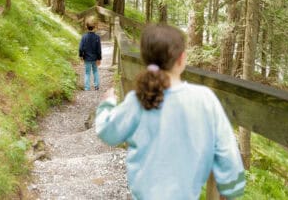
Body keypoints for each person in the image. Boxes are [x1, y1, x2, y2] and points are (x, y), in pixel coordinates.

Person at [95, 24, 245, 200]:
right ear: (181, 59)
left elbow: (108, 132)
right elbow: (227, 152)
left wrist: (107, 104)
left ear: (146, 60)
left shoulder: (139, 99)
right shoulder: (205, 100)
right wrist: (231, 189)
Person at [79, 17, 102, 91]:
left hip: (87, 58)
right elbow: (99, 49)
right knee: (95, 71)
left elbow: (81, 48)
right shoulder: (97, 37)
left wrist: (81, 56)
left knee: (87, 73)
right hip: (95, 58)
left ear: (86, 27)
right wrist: (99, 58)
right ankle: (96, 86)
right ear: (94, 27)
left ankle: (87, 87)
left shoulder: (84, 37)